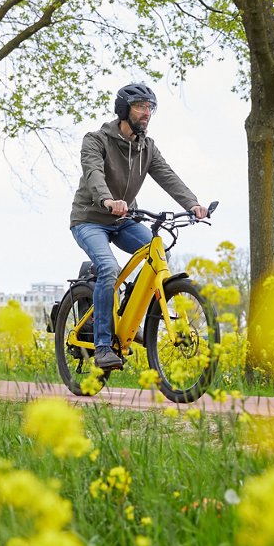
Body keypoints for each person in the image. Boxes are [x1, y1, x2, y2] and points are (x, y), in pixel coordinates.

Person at [69, 83, 207, 371]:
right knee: (108, 268)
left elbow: (167, 176)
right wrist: (108, 200)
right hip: (90, 219)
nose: (146, 113)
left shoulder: (147, 147)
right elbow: (93, 174)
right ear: (123, 110)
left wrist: (192, 204)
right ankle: (104, 345)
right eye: (140, 107)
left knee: (158, 258)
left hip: (124, 220)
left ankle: (132, 317)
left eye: (149, 108)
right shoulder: (95, 140)